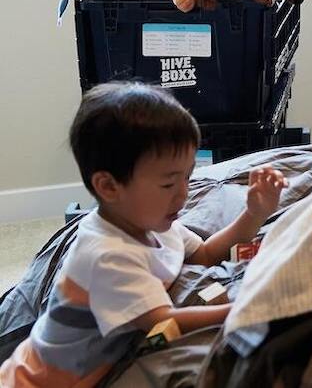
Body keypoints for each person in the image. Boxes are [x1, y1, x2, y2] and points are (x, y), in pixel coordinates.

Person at [0, 82, 287, 387]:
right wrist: (243, 307)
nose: (183, 195)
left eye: (188, 177)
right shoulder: (108, 256)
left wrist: (255, 213)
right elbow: (163, 321)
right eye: (168, 184)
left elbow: (204, 253)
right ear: (109, 187)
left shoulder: (149, 221)